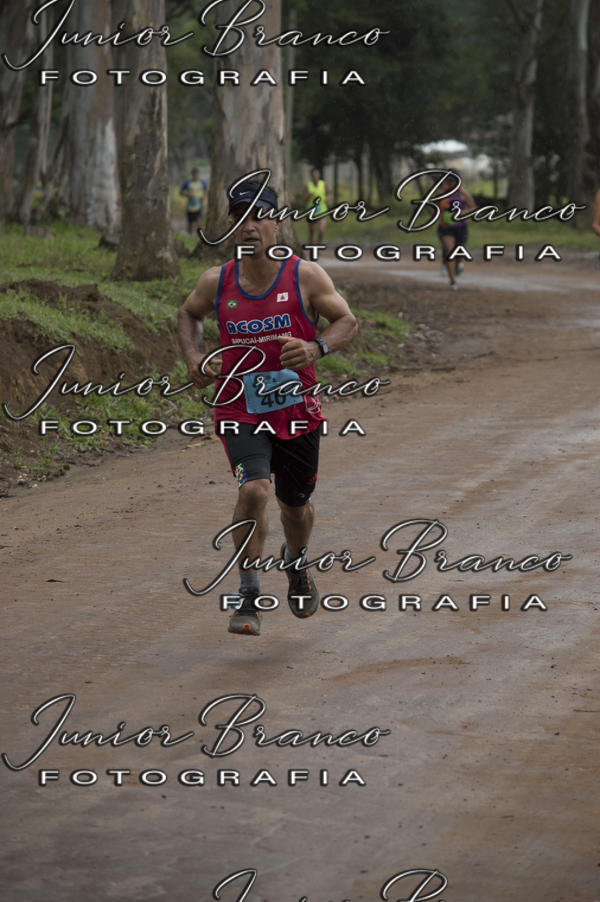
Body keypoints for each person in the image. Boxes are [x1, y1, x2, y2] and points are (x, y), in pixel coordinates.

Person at [178, 180, 358, 637]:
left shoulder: (306, 276)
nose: (250, 225)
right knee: (254, 490)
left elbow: (346, 321)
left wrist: (316, 347)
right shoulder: (216, 281)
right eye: (241, 217)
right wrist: (194, 358)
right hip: (238, 407)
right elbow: (189, 314)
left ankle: (296, 565)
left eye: (259, 215)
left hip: (296, 409)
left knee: (294, 509)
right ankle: (248, 590)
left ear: (278, 224)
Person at [437, 171, 476, 289]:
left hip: (461, 228)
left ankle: (459, 263)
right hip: (445, 229)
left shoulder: (464, 194)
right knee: (449, 251)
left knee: (459, 252)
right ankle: (452, 281)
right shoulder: (440, 194)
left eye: (453, 181)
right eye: (448, 181)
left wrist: (463, 212)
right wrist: (440, 218)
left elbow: (473, 208)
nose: (450, 183)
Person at [305, 167, 330, 244]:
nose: (315, 176)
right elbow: (304, 199)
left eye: (317, 174)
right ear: (311, 176)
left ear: (319, 175)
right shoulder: (308, 185)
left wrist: (327, 198)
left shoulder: (323, 184)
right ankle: (311, 246)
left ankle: (319, 245)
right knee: (311, 231)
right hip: (311, 210)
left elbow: (329, 195)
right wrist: (309, 195)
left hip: (322, 210)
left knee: (321, 230)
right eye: (313, 174)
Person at [180, 167, 208, 234]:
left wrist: (203, 196)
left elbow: (206, 190)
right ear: (192, 174)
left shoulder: (202, 182)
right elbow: (181, 192)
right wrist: (188, 194)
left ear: (198, 174)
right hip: (190, 205)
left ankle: (200, 235)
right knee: (190, 222)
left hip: (199, 205)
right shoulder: (188, 182)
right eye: (194, 174)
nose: (195, 175)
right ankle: (189, 234)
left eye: (197, 174)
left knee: (199, 221)